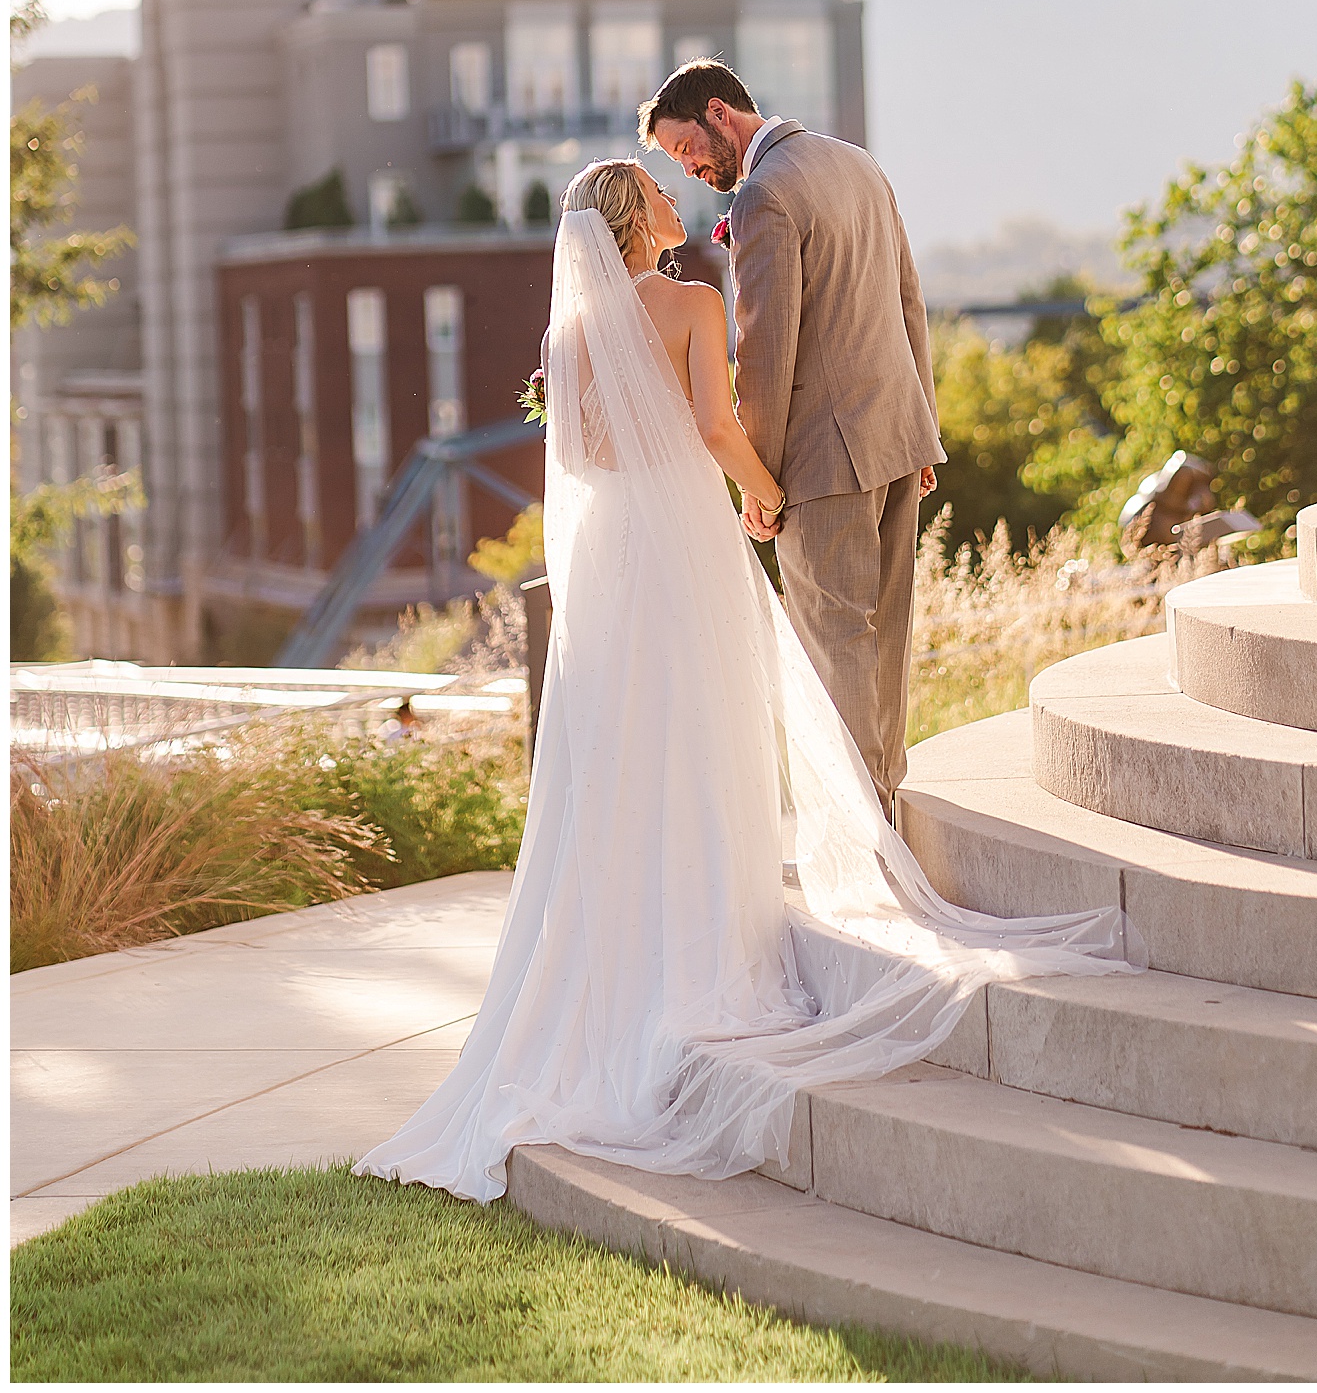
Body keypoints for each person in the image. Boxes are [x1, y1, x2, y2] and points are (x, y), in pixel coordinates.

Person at [355, 160, 1139, 1206]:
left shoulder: (566, 335)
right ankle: (707, 950)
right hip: (683, 538)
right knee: (707, 732)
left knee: (625, 750)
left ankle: (621, 969)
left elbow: (584, 454)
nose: (680, 200)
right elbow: (718, 426)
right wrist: (766, 498)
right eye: (659, 190)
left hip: (616, 557)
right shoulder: (687, 298)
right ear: (638, 219)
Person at [644, 60, 941, 819]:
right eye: (677, 164)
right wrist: (923, 429)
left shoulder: (763, 195)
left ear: (720, 112)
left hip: (822, 457)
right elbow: (910, 302)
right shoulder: (856, 163)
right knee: (884, 638)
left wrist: (760, 482)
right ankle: (884, 810)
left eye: (686, 149)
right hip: (897, 437)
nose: (691, 168)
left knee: (832, 644)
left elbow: (765, 352)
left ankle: (859, 831)